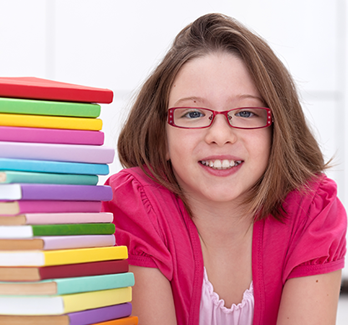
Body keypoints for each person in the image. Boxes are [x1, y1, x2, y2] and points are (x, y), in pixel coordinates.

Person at [102, 13, 347, 325]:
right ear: (159, 135)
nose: (219, 135)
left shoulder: (313, 213)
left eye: (246, 112)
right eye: (192, 113)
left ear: (277, 133)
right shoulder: (136, 207)